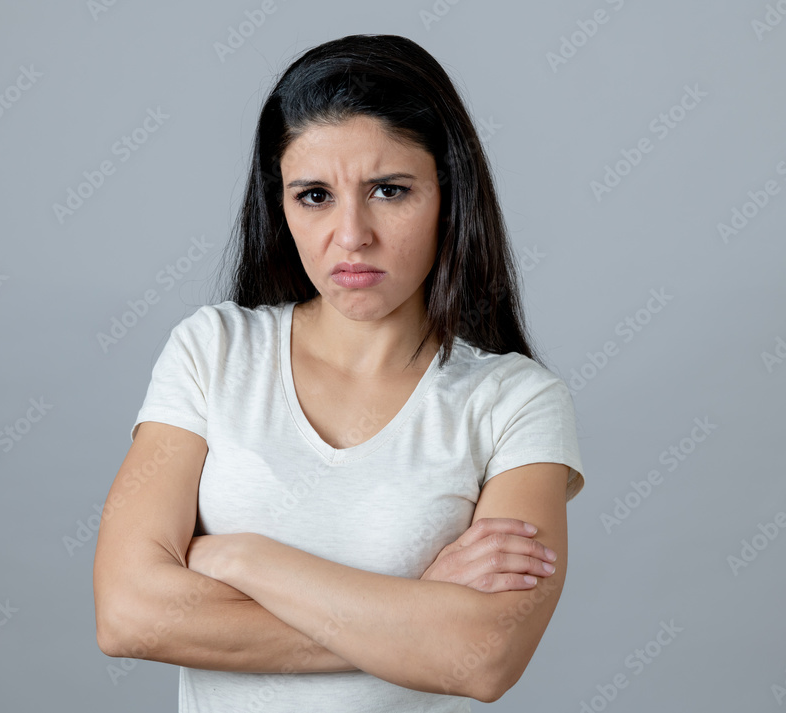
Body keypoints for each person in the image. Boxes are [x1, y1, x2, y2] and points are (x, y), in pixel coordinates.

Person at [93, 33, 585, 712]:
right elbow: (127, 614)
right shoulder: (211, 353)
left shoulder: (517, 402)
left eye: (390, 189)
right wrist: (419, 609)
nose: (351, 234)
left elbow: (484, 657)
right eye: (315, 195)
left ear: (449, 192)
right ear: (281, 205)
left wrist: (238, 558)